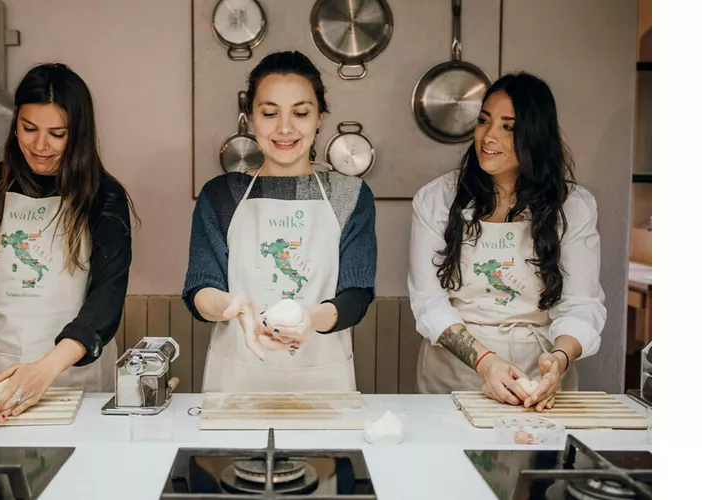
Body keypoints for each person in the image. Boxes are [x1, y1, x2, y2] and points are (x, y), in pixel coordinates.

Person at [0, 63, 136, 420]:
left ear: (78, 134)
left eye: (57, 134)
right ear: (16, 123)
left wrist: (44, 370)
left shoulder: (104, 197)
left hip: (73, 377)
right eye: (29, 128)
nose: (40, 145)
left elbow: (104, 303)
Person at [407, 72, 606, 412]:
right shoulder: (436, 200)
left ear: (536, 136)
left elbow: (581, 305)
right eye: (484, 121)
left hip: (538, 378)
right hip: (456, 374)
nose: (488, 136)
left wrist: (558, 360)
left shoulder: (573, 206)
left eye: (508, 127)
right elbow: (429, 303)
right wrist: (485, 362)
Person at [183, 51, 377, 392]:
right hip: (237, 380)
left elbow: (356, 294)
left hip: (323, 382)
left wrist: (309, 319)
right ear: (251, 119)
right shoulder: (221, 195)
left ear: (320, 119)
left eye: (300, 113)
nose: (285, 128)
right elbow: (200, 288)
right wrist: (231, 307)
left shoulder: (350, 196)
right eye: (270, 113)